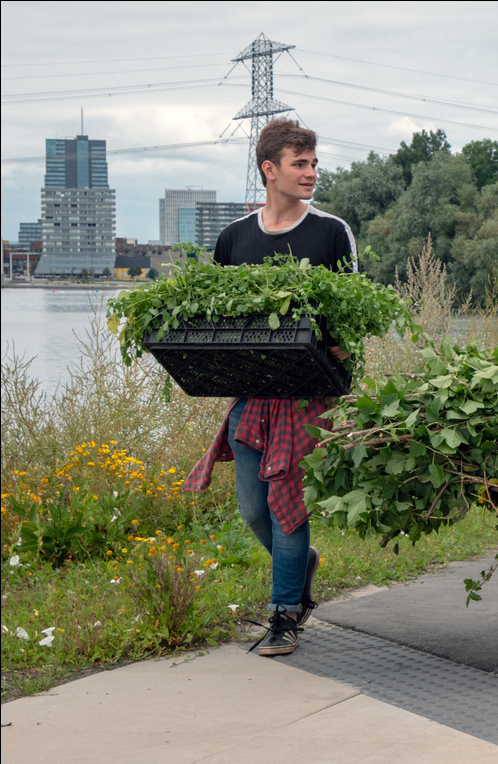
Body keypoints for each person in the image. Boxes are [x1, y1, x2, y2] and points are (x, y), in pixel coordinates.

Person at [183, 119, 358, 655]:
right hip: (251, 393)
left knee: (287, 507)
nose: (310, 173)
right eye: (299, 164)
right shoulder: (235, 238)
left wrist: (338, 350)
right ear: (269, 170)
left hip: (308, 395)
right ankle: (301, 565)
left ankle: (285, 614)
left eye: (313, 163)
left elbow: (352, 317)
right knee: (256, 511)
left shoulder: (331, 231)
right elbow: (213, 318)